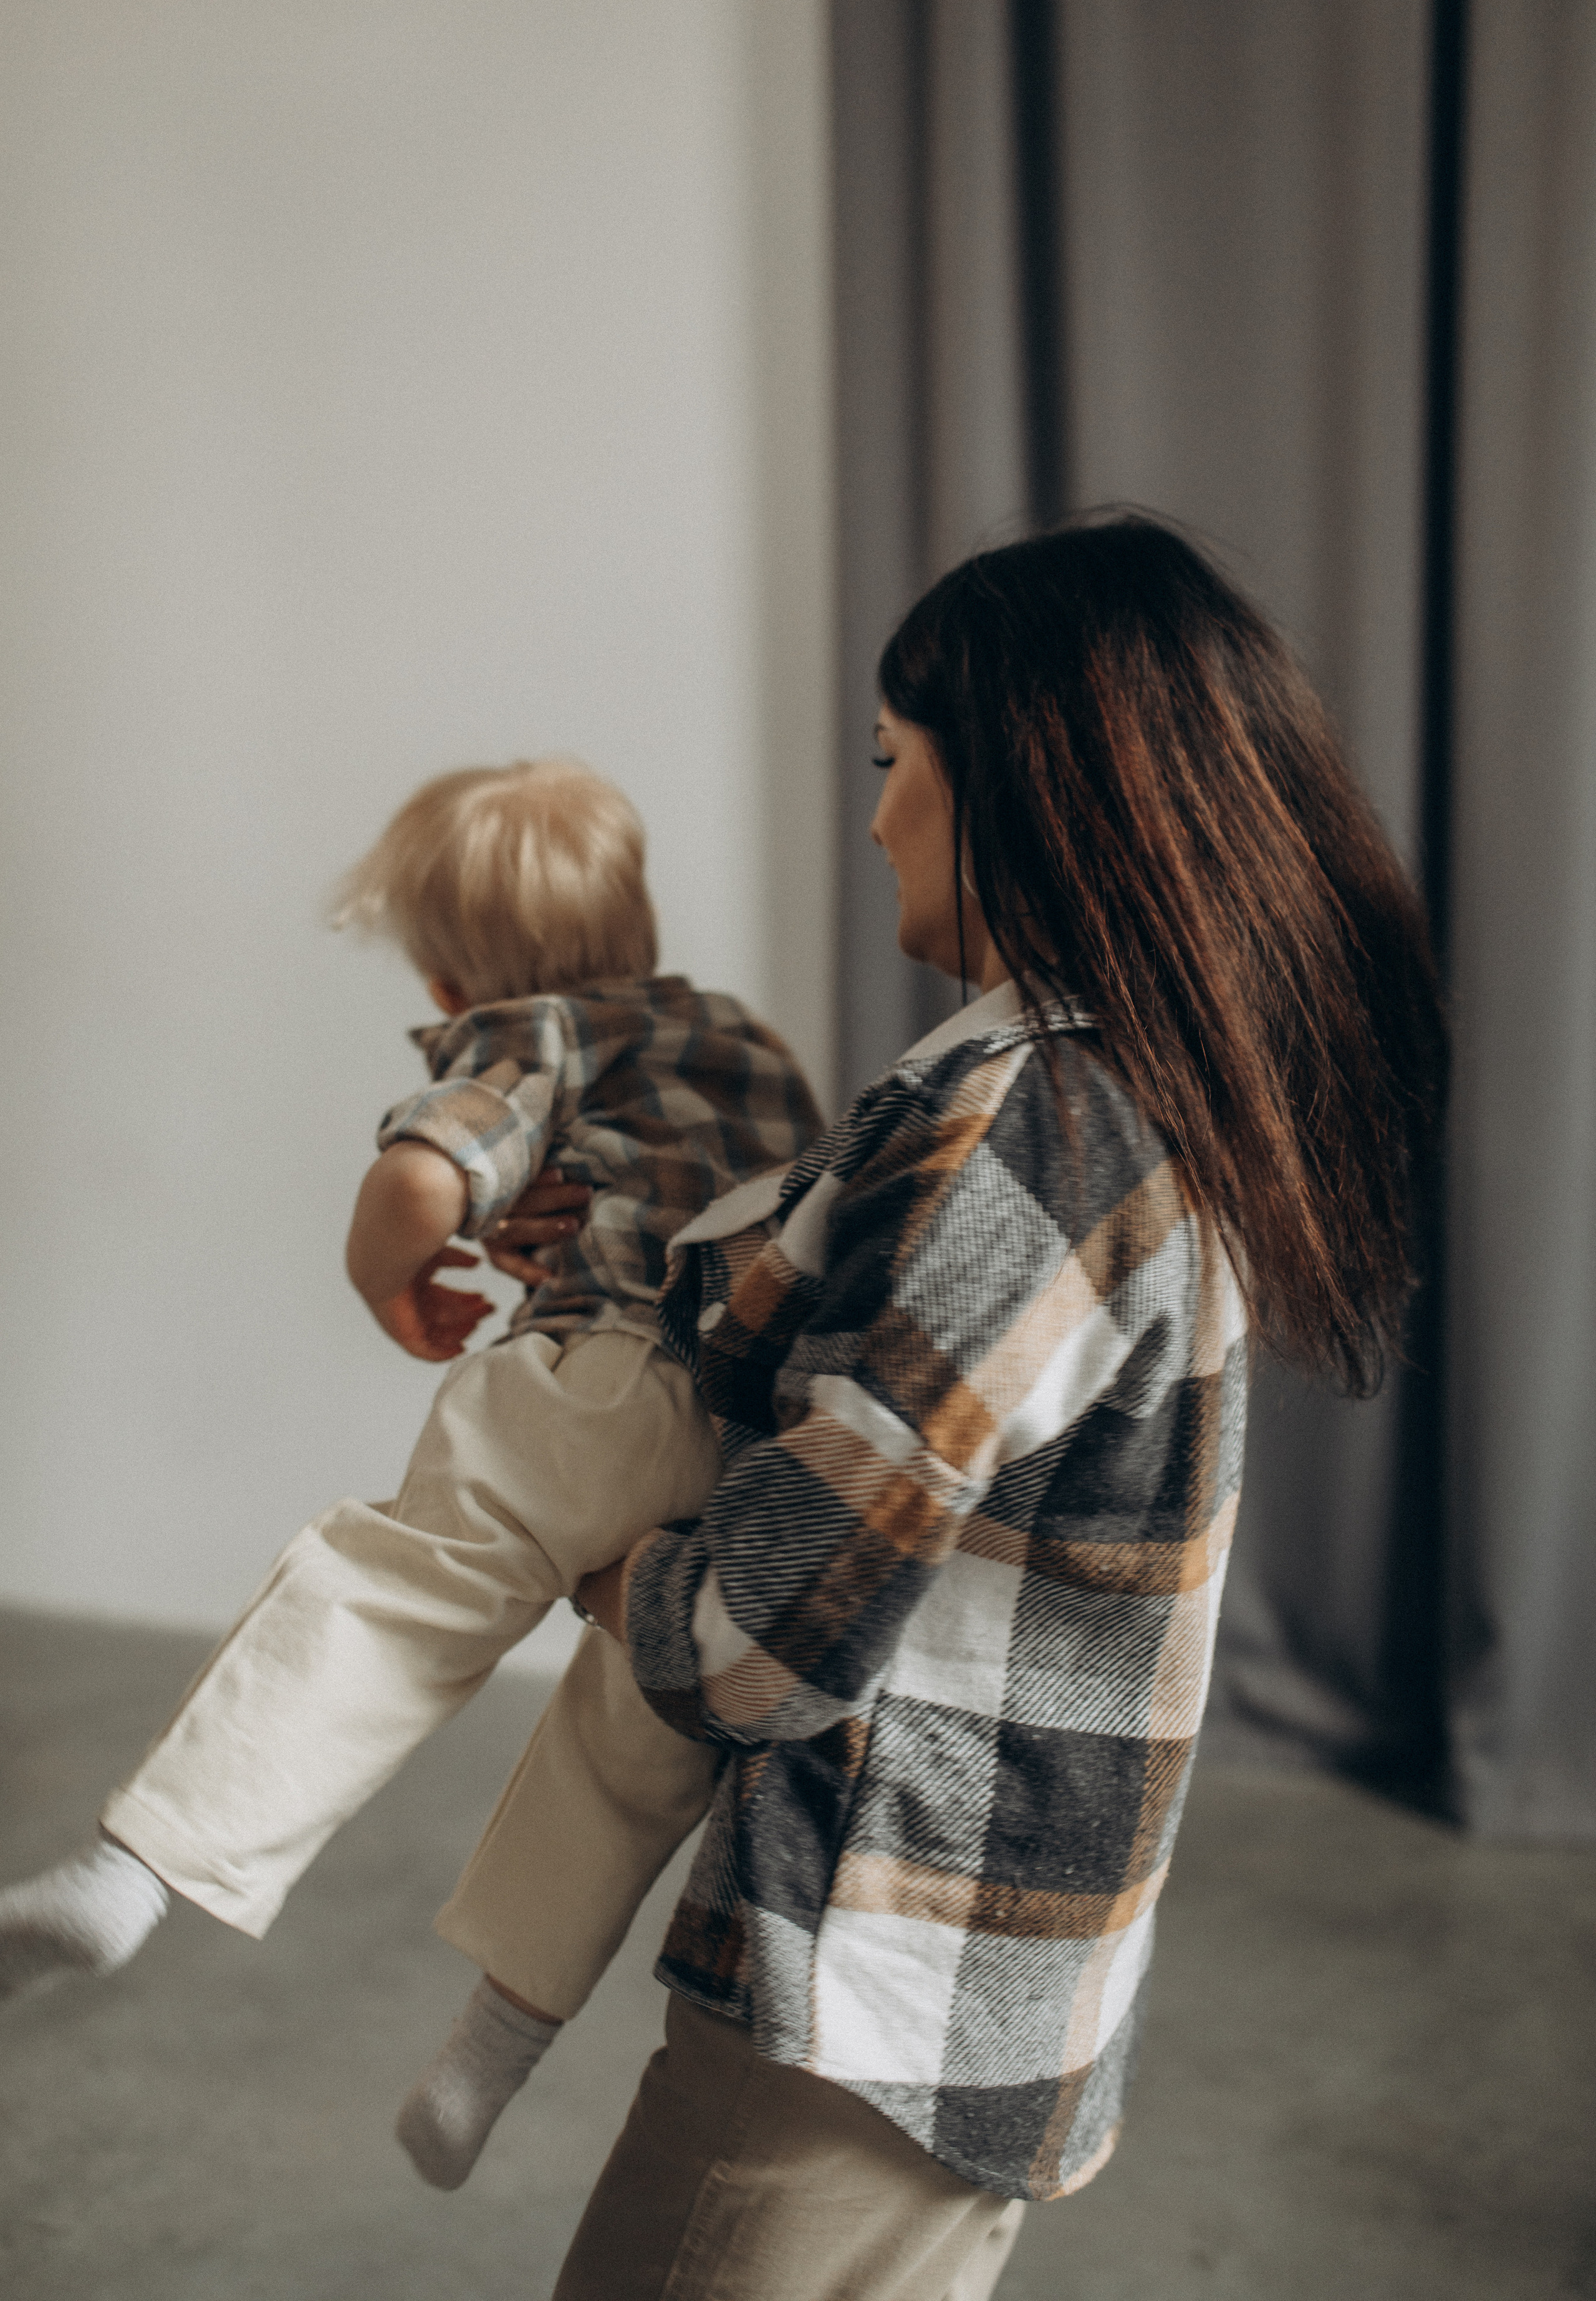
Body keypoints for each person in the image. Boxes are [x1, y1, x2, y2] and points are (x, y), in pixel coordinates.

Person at [539, 517, 1446, 2301]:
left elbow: (755, 1645)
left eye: (895, 764)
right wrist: (608, 1243)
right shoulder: (1118, 1089)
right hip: (975, 1983)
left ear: (1028, 787)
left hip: (873, 1989)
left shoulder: (1031, 1137)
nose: (872, 813)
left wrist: (595, 1559)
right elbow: (832, 1291)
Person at [0, 757, 823, 2189]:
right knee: (631, 1748)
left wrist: (390, 1282)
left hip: (596, 1378)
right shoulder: (742, 1040)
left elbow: (423, 1182)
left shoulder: (539, 1034)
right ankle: (489, 2051)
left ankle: (134, 1875)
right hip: (735, 1445)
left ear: (452, 977)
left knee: (383, 1603)